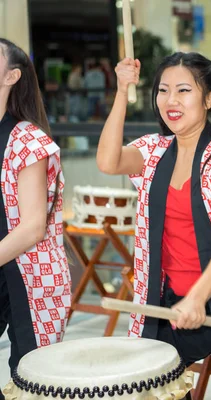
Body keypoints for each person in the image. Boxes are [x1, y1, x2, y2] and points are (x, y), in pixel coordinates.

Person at [96, 52, 211, 400]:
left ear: (209, 98)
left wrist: (197, 298)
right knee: (149, 388)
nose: (171, 101)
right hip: (169, 306)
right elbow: (108, 160)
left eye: (183, 90)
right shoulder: (153, 151)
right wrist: (121, 91)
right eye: (163, 91)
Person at [0, 38, 70, 396]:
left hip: (29, 273)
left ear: (11, 76)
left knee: (31, 377)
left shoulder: (28, 140)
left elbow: (32, 227)